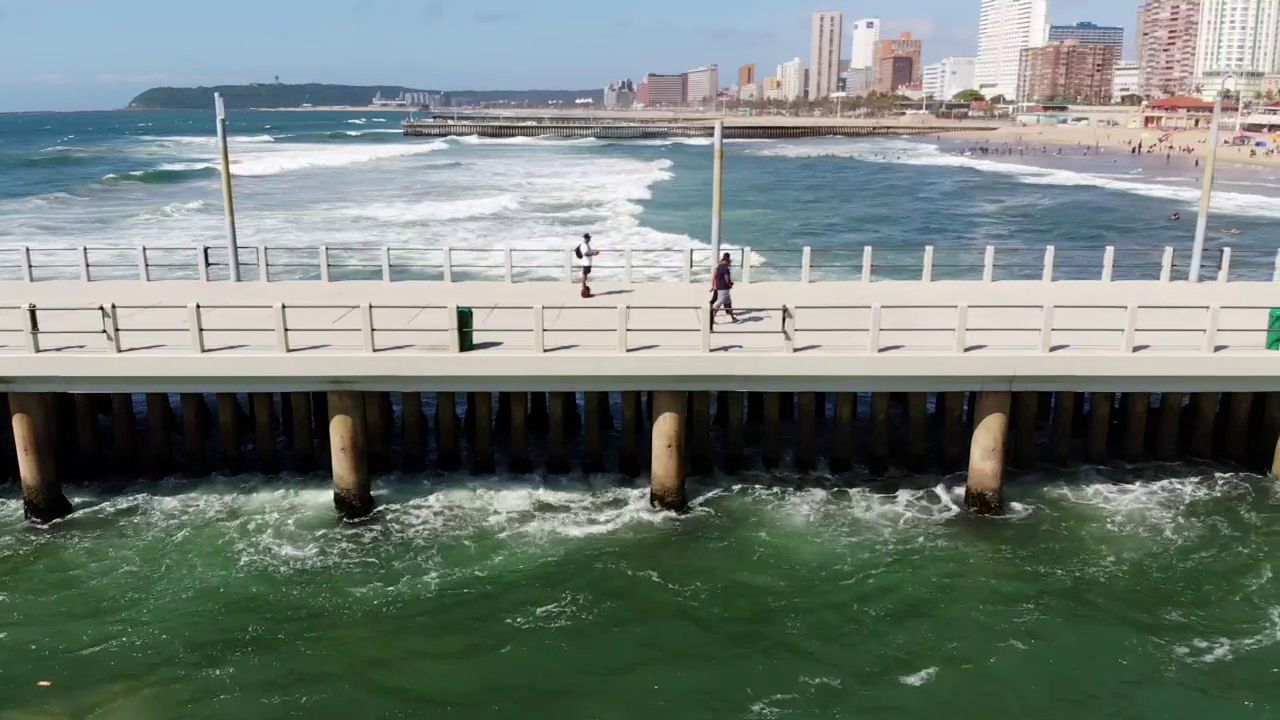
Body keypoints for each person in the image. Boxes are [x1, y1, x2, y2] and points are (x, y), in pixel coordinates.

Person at [710, 252, 737, 325]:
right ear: (728, 259)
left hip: (720, 288)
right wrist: (730, 285)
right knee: (718, 304)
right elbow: (727, 279)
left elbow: (715, 276)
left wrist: (713, 286)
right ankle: (711, 319)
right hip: (723, 289)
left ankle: (732, 317)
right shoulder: (725, 268)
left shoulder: (719, 266)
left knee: (728, 303)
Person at [575, 233, 599, 298]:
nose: (590, 239)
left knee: (585, 276)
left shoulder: (586, 244)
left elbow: (587, 252)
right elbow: (585, 253)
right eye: (589, 238)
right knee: (584, 275)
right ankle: (583, 288)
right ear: (586, 238)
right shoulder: (584, 245)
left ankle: (584, 288)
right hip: (586, 263)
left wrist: (593, 253)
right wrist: (594, 253)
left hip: (588, 263)